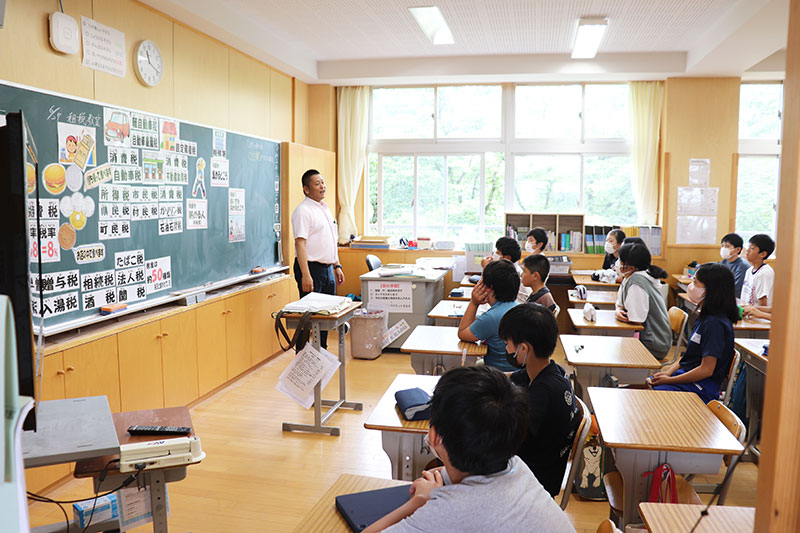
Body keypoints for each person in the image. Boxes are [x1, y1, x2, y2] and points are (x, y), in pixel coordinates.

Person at [364, 366, 575, 533]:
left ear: (435, 435)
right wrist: (439, 483)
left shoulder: (449, 512)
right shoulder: (514, 465)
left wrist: (420, 501)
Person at [498, 303, 580, 498]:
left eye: (508, 343)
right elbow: (510, 377)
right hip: (544, 469)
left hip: (534, 482)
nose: (506, 348)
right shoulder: (553, 371)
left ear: (524, 348)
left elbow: (512, 442)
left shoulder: (542, 393)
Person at [649, 263, 738, 403]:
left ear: (710, 290)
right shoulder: (705, 316)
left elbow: (706, 370)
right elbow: (688, 357)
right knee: (648, 389)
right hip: (688, 378)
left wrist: (671, 380)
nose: (691, 286)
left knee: (654, 398)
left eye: (695, 282)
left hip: (702, 387)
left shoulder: (715, 324)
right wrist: (668, 373)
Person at [290, 169, 344, 349]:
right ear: (306, 189)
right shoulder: (303, 211)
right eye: (317, 184)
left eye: (323, 182)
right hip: (310, 269)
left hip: (327, 269)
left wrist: (337, 266)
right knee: (309, 318)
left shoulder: (325, 209)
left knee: (325, 317)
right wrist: (306, 275)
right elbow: (300, 245)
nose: (322, 186)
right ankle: (303, 357)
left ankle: (321, 353)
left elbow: (331, 240)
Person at [458, 260, 519, 371]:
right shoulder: (518, 307)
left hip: (498, 375)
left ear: (488, 287)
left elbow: (462, 333)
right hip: (517, 373)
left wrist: (473, 302)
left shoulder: (492, 317)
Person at [615, 243, 672, 360]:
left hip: (653, 344)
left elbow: (636, 319)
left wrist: (619, 312)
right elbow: (620, 303)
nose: (617, 263)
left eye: (620, 260)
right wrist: (618, 310)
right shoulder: (631, 278)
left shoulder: (637, 282)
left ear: (631, 267)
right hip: (648, 338)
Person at [481, 236, 531, 303]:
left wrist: (486, 268)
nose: (494, 255)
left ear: (507, 258)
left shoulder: (509, 273)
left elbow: (485, 291)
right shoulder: (509, 268)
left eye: (497, 252)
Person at [739, 233, 775, 307]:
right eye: (748, 247)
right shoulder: (749, 270)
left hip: (757, 317)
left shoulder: (764, 273)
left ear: (763, 254)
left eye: (752, 248)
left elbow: (762, 304)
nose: (747, 251)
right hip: (746, 313)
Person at [719, 233, 749, 299]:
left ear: (738, 249)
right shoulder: (724, 262)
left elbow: (735, 290)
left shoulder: (742, 267)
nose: (724, 249)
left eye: (727, 246)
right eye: (722, 246)